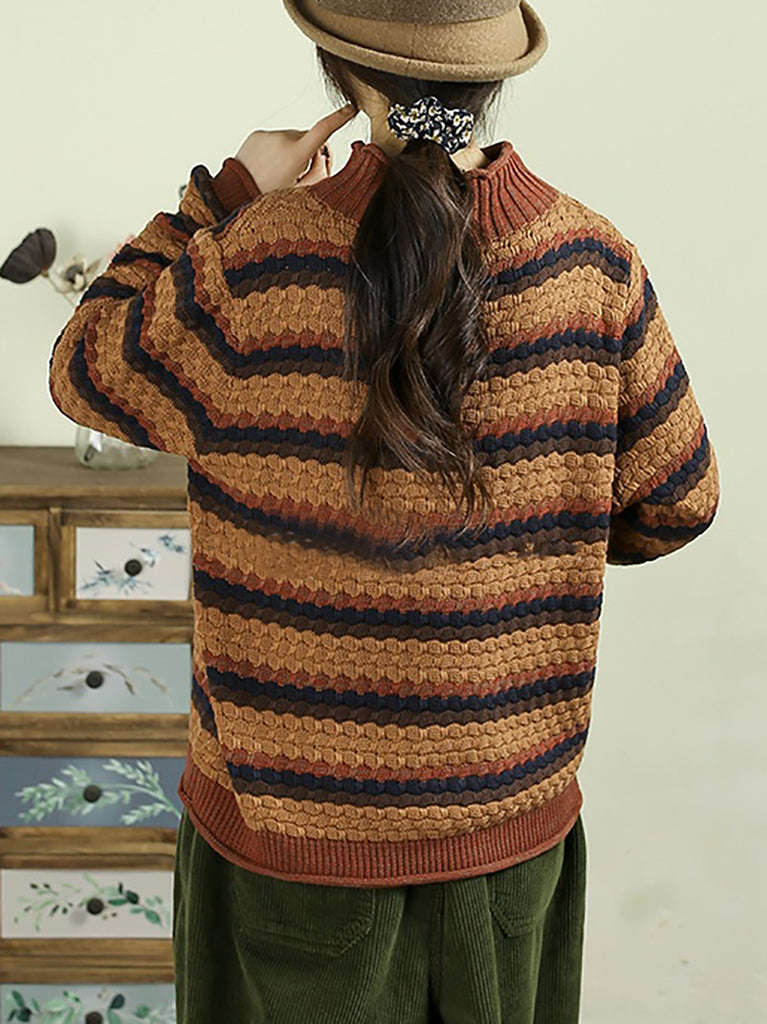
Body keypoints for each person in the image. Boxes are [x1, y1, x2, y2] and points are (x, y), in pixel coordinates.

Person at [47, 2, 720, 1021]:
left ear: (336, 66)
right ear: (491, 72)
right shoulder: (593, 265)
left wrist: (223, 195)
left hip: (284, 845)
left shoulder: (252, 258)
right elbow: (678, 498)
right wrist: (527, 545)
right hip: (505, 840)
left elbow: (86, 369)